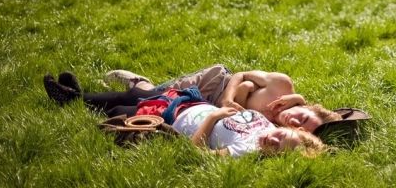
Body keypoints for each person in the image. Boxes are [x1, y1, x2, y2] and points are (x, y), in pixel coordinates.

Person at [43, 73, 324, 158]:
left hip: (178, 118)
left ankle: (74, 99)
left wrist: (213, 119)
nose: (273, 139)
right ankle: (76, 97)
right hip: (192, 101)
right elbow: (246, 86)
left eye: (277, 146)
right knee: (138, 97)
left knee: (122, 110)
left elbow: (197, 154)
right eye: (281, 135)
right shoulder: (267, 123)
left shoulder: (248, 149)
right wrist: (300, 101)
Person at [102, 66, 340, 133]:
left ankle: (140, 88)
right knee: (152, 93)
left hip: (199, 107)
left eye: (299, 128)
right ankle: (138, 82)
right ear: (307, 106)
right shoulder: (282, 85)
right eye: (302, 116)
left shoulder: (277, 127)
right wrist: (227, 99)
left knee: (155, 102)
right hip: (216, 83)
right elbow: (242, 76)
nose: (294, 121)